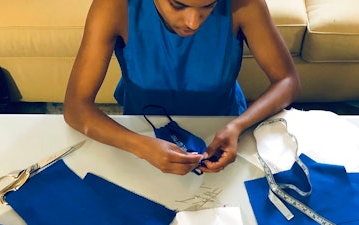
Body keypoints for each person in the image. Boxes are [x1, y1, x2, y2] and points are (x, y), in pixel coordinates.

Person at [63, 0, 300, 175]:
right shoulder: (114, 6)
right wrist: (140, 145)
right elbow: (76, 107)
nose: (193, 22)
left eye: (208, 6)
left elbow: (287, 81)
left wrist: (238, 126)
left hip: (221, 128)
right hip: (142, 128)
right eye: (178, 5)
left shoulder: (244, 4)